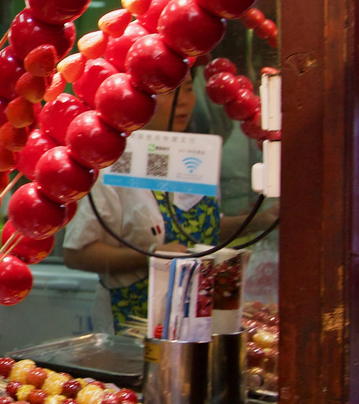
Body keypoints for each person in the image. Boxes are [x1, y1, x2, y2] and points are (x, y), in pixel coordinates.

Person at [61, 76, 255, 334]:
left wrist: (258, 221)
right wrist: (152, 255)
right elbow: (76, 254)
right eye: (170, 91)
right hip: (130, 329)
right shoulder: (113, 161)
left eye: (188, 89)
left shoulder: (195, 156)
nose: (184, 102)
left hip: (198, 325)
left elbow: (199, 231)